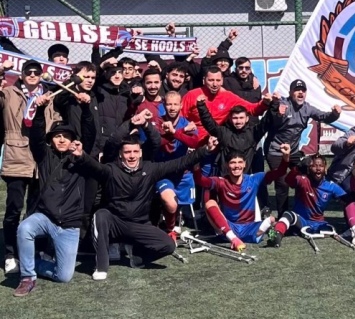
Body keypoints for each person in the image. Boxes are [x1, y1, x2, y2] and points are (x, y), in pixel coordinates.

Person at [73, 130, 211, 280]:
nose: (132, 156)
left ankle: (137, 257)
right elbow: (95, 167)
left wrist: (205, 150)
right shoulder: (111, 170)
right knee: (101, 215)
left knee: (168, 245)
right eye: (127, 152)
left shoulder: (150, 169)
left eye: (135, 152)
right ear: (121, 154)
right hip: (115, 222)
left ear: (140, 153)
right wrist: (81, 155)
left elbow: (179, 163)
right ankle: (101, 266)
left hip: (139, 224)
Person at [13, 93, 97, 296]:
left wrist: (86, 109)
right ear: (51, 140)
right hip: (46, 217)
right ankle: (27, 277)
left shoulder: (80, 159)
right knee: (25, 228)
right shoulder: (44, 156)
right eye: (57, 136)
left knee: (63, 276)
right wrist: (40, 109)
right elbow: (36, 135)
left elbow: (89, 134)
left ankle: (34, 263)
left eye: (66, 136)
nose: (61, 139)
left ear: (73, 140)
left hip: (69, 224)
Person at [0, 59, 53, 274]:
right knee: (13, 208)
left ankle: (33, 251)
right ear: (21, 75)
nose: (32, 75)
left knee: (36, 210)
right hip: (16, 155)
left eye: (36, 72)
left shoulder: (49, 95)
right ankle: (10, 254)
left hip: (40, 158)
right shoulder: (9, 93)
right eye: (28, 72)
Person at [263, 79, 341, 218]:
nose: (300, 93)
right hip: (275, 151)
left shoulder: (307, 108)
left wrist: (335, 114)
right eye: (297, 90)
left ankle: (303, 210)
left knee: (306, 173)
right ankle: (283, 217)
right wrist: (277, 113)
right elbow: (271, 122)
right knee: (282, 182)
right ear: (290, 92)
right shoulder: (283, 104)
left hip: (293, 151)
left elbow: (323, 117)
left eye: (303, 90)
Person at [193, 140, 289, 251]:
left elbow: (279, 172)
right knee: (210, 203)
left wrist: (285, 158)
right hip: (229, 228)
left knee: (272, 219)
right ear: (227, 165)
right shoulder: (221, 182)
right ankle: (234, 239)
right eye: (233, 162)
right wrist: (196, 164)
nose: (236, 166)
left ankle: (253, 234)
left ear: (244, 164)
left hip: (250, 227)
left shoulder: (254, 180)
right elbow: (201, 181)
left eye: (240, 162)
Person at [267, 152, 348, 248]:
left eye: (321, 166)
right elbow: (288, 180)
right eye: (314, 166)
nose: (318, 168)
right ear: (309, 168)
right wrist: (297, 167)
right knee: (288, 214)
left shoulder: (331, 186)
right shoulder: (303, 180)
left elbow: (348, 200)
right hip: (300, 221)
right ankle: (276, 235)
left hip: (319, 223)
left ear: (325, 169)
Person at [181, 66, 270, 145]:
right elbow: (179, 117)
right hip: (190, 143)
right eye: (211, 80)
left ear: (222, 81)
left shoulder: (228, 97)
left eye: (218, 80)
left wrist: (265, 103)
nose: (215, 84)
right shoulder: (192, 95)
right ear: (204, 80)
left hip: (214, 144)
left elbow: (252, 109)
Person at [153, 91, 200, 237]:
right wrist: (182, 131)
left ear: (181, 105)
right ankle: (170, 229)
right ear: (164, 105)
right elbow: (158, 142)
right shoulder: (158, 122)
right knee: (171, 203)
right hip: (163, 172)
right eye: (169, 104)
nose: (172, 108)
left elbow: (194, 143)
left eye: (175, 104)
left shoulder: (188, 123)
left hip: (183, 173)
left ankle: (171, 222)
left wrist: (175, 132)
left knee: (178, 204)